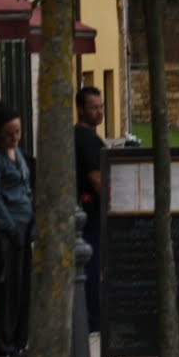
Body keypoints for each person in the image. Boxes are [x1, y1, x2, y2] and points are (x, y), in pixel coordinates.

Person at [0, 98, 33, 357]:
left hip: (24, 224)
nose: (15, 137)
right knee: (6, 284)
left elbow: (25, 188)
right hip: (4, 227)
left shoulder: (19, 155)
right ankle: (1, 344)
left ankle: (18, 340)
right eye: (9, 133)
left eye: (18, 132)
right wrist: (10, 228)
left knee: (23, 284)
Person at [73, 85, 106, 333]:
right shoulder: (87, 141)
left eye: (101, 106)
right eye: (94, 108)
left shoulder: (80, 137)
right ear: (81, 109)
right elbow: (97, 180)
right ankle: (93, 319)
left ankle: (89, 317)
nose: (99, 112)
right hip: (89, 215)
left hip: (83, 213)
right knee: (91, 271)